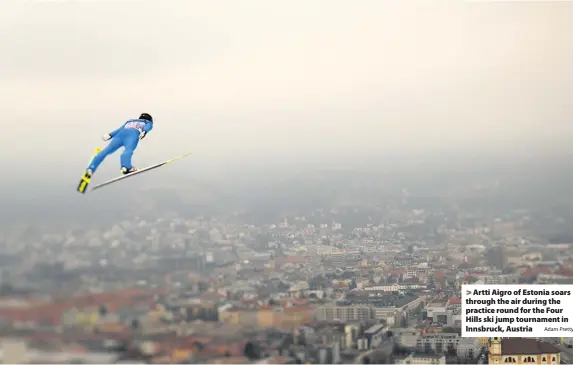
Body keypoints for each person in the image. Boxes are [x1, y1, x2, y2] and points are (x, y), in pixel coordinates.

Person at [85, 113, 153, 177]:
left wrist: (110, 135)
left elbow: (120, 129)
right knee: (128, 149)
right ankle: (126, 167)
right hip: (133, 134)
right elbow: (148, 126)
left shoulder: (129, 121)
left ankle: (91, 168)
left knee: (106, 151)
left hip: (120, 135)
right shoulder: (147, 122)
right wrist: (144, 131)